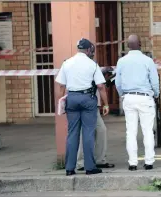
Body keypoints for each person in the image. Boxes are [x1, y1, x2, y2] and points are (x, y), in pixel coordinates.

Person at [55, 38, 110, 176]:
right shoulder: (92, 64)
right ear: (87, 50)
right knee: (88, 133)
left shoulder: (67, 63)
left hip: (72, 99)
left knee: (72, 133)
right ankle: (89, 167)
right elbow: (101, 86)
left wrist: (60, 101)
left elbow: (61, 86)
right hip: (87, 99)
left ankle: (69, 168)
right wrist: (106, 103)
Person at [115, 34, 160, 171]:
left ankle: (132, 163)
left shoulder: (121, 61)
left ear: (128, 45)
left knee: (131, 132)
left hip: (129, 98)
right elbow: (154, 81)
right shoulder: (148, 60)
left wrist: (123, 94)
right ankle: (149, 162)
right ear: (140, 44)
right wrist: (156, 94)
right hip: (145, 97)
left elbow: (118, 83)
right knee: (147, 131)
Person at [76, 67, 115, 171]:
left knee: (101, 130)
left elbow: (99, 84)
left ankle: (99, 160)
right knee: (85, 132)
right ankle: (82, 162)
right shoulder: (90, 67)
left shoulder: (91, 66)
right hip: (88, 104)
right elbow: (100, 85)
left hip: (93, 105)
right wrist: (106, 104)